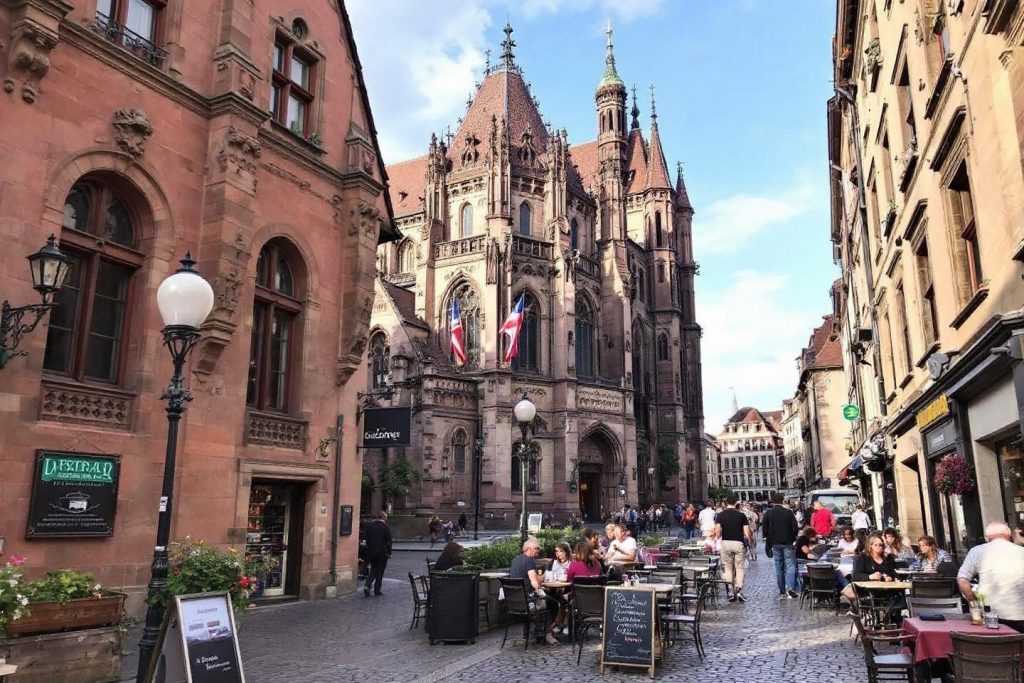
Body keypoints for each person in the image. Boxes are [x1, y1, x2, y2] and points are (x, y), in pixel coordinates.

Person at [958, 521, 1024, 632]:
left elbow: (963, 580)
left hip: (991, 613)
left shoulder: (977, 551)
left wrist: (974, 602)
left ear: (987, 536)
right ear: (1009, 535)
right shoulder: (1021, 551)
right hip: (1020, 613)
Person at [510, 538, 560, 645]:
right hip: (528, 601)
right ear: (530, 549)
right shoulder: (529, 560)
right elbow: (534, 583)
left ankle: (537, 630)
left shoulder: (515, 560)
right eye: (537, 548)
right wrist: (540, 584)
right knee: (554, 603)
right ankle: (547, 633)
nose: (539, 550)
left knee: (548, 599)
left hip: (514, 602)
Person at [762, 493, 800, 599]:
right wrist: (793, 538)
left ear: (772, 501)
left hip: (775, 542)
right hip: (787, 542)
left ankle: (782, 591)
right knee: (790, 565)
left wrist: (767, 538)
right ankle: (791, 588)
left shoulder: (768, 513)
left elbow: (764, 528)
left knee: (778, 566)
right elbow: (795, 528)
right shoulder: (788, 512)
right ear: (783, 501)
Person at [716, 495, 753, 603]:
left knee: (728, 568)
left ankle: (730, 591)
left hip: (726, 542)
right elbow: (746, 533)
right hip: (738, 543)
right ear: (736, 502)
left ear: (726, 502)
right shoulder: (741, 515)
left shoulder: (721, 515)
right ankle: (739, 591)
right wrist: (750, 542)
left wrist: (718, 536)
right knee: (740, 568)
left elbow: (717, 532)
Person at [363, 511, 392, 597]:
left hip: (371, 552)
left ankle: (371, 586)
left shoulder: (371, 526)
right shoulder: (385, 527)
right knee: (379, 571)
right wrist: (389, 552)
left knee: (373, 569)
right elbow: (389, 541)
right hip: (382, 553)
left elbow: (366, 538)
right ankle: (374, 588)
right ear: (384, 518)